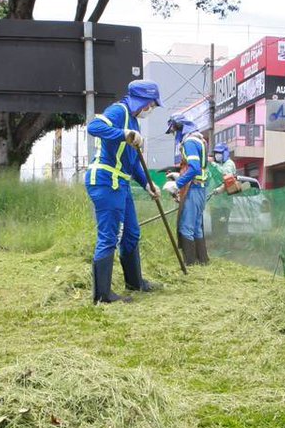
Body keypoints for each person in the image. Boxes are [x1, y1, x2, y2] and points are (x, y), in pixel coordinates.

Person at [84, 80, 162, 303]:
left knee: (131, 233)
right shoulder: (120, 111)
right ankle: (102, 295)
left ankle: (135, 282)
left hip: (122, 182)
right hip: (106, 180)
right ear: (144, 101)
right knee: (110, 236)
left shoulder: (134, 122)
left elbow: (134, 162)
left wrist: (148, 184)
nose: (152, 109)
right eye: (152, 104)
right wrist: (124, 133)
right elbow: (94, 127)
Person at [164, 116, 209, 265]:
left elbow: (194, 167)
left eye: (173, 131)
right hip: (200, 188)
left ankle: (190, 264)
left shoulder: (189, 142)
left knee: (186, 227)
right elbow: (196, 167)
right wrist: (179, 175)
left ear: (179, 128)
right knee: (196, 227)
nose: (174, 135)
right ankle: (202, 261)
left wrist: (178, 184)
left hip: (193, 188)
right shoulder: (199, 140)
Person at [209, 143, 237, 240]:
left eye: (219, 153)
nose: (217, 155)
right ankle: (218, 249)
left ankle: (224, 250)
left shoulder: (229, 164)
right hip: (215, 204)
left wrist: (212, 164)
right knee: (215, 229)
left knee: (222, 229)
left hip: (224, 204)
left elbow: (225, 175)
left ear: (225, 153)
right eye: (216, 153)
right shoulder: (217, 164)